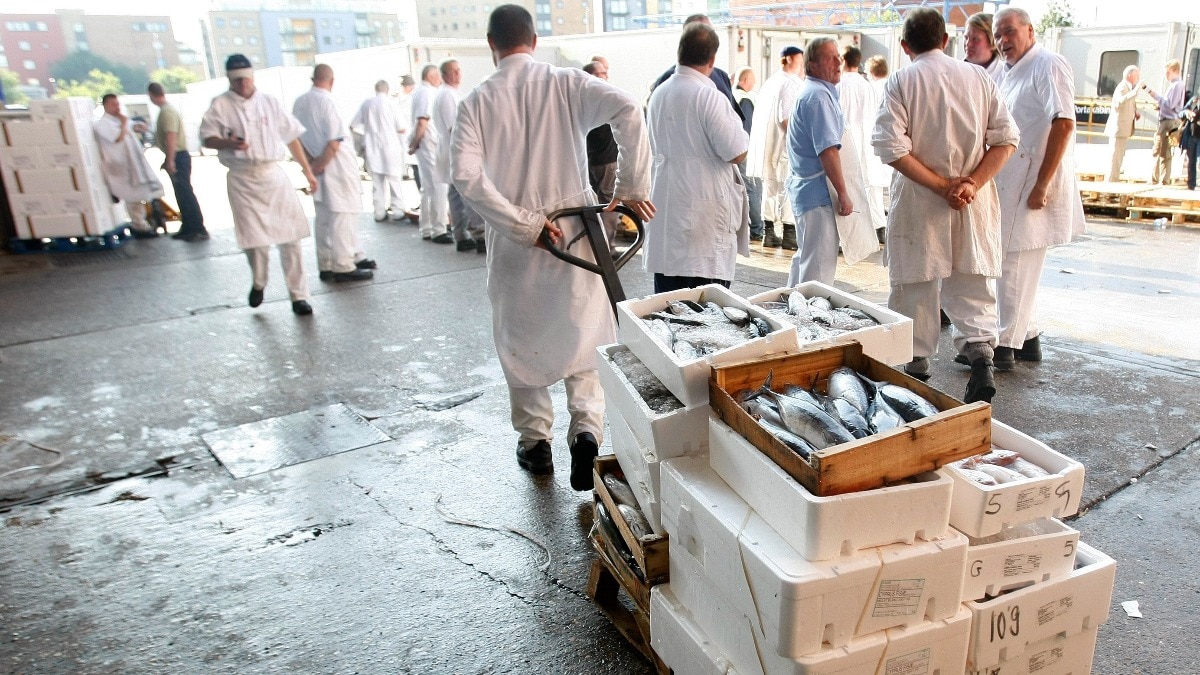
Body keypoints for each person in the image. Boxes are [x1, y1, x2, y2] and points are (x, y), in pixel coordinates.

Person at [451, 5, 654, 491]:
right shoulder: (566, 84)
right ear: (535, 39)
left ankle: (535, 443)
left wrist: (523, 224)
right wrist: (631, 187)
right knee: (584, 333)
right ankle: (585, 430)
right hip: (577, 229)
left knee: (522, 340)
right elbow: (629, 109)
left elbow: (466, 176)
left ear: (490, 43)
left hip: (520, 239)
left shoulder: (476, 102)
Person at [873, 7, 1019, 403]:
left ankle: (916, 368)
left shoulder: (903, 80)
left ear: (905, 46)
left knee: (915, 285)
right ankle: (981, 361)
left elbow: (889, 146)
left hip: (921, 202)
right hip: (973, 201)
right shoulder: (978, 77)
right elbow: (1006, 139)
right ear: (946, 41)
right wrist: (970, 184)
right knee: (972, 284)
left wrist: (941, 186)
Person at [992, 7, 1086, 367]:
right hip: (1014, 179)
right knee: (1012, 261)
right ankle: (1027, 338)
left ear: (1030, 31)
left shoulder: (1049, 63)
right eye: (999, 35)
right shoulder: (1009, 71)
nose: (1003, 41)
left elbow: (1063, 123)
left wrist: (1043, 184)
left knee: (1015, 262)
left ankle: (1004, 347)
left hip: (1035, 181)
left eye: (1010, 32)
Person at [199, 54, 318, 316]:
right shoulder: (220, 105)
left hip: (272, 174)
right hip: (242, 176)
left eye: (245, 79)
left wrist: (307, 172)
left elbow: (291, 138)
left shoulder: (269, 102)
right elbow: (207, 138)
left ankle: (298, 295)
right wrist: (228, 143)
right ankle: (259, 280)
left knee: (290, 237)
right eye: (236, 80)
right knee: (255, 240)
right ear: (230, 80)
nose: (242, 84)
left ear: (252, 77)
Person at [645, 22, 749, 294]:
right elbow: (737, 151)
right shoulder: (708, 95)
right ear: (712, 59)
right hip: (701, 224)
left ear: (679, 53)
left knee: (668, 310)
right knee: (707, 314)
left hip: (668, 215)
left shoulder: (659, 93)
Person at [292, 64, 375, 283]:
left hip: (315, 164)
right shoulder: (328, 101)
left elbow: (296, 137)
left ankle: (327, 263)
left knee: (324, 216)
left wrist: (310, 164)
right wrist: (321, 164)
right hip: (335, 166)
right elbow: (335, 140)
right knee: (343, 214)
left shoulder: (299, 102)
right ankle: (343, 264)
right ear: (332, 80)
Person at [785, 38, 853, 286]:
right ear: (812, 65)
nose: (838, 62)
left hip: (810, 192)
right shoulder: (818, 98)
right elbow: (828, 151)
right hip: (818, 194)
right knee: (818, 269)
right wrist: (843, 193)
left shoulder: (817, 92)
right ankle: (806, 320)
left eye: (839, 56)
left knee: (807, 258)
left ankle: (791, 312)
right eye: (830, 57)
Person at [747, 46, 804, 250]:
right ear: (789, 59)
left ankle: (769, 233)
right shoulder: (790, 83)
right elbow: (785, 117)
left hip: (769, 147)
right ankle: (789, 233)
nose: (801, 64)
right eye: (799, 59)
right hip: (785, 146)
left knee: (770, 188)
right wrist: (800, 138)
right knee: (788, 189)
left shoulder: (771, 82)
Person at [835, 46, 885, 266]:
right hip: (866, 141)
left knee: (846, 188)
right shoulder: (867, 86)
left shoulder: (838, 85)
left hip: (846, 141)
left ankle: (845, 238)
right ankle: (876, 229)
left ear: (843, 60)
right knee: (869, 187)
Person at [432, 59, 486, 253]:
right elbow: (455, 128)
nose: (458, 74)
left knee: (455, 194)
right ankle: (479, 234)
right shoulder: (447, 95)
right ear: (444, 75)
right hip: (456, 149)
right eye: (453, 71)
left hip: (449, 150)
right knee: (468, 193)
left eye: (458, 70)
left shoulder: (447, 94)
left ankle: (461, 235)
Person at [94, 93, 165, 239]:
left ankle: (143, 222)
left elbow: (134, 127)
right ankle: (138, 225)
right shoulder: (103, 124)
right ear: (105, 106)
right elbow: (117, 137)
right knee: (132, 197)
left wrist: (137, 125)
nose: (117, 108)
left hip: (134, 165)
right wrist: (125, 123)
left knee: (141, 195)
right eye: (113, 105)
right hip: (120, 168)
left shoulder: (120, 121)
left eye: (118, 104)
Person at [651, 14, 743, 123]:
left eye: (709, 33)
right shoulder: (665, 81)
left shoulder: (722, 77)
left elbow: (735, 123)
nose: (705, 39)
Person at [147, 82, 207, 242]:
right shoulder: (167, 110)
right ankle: (188, 225)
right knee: (180, 193)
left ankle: (197, 228)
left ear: (151, 95)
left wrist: (171, 160)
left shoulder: (167, 112)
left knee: (185, 192)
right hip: (176, 155)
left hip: (179, 156)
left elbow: (171, 136)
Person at [351, 79, 412, 222]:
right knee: (394, 180)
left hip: (372, 148)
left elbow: (353, 125)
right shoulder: (391, 104)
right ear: (387, 90)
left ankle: (379, 212)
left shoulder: (366, 104)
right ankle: (397, 211)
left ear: (375, 89)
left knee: (377, 182)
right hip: (391, 148)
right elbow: (401, 127)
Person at [409, 64, 452, 243]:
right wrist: (415, 143)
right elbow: (422, 121)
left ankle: (427, 227)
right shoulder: (427, 93)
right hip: (429, 145)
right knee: (438, 187)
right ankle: (438, 229)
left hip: (425, 145)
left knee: (427, 188)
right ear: (431, 75)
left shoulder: (420, 92)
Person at [582, 59, 622, 251]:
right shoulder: (601, 97)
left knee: (594, 202)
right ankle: (606, 247)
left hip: (589, 159)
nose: (606, 76)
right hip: (605, 159)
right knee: (609, 203)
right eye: (603, 73)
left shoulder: (582, 97)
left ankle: (595, 245)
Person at [733, 65, 765, 242]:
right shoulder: (745, 99)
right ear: (744, 80)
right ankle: (757, 229)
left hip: (733, 150)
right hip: (745, 151)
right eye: (752, 79)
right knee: (754, 189)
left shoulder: (732, 96)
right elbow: (748, 128)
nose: (755, 83)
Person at [1144, 59, 1186, 185]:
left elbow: (1170, 104)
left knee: (1161, 150)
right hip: (1170, 120)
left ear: (1175, 71)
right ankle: (1159, 178)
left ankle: (1160, 179)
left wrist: (1153, 94)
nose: (1166, 76)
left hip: (1168, 121)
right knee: (1162, 150)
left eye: (1168, 73)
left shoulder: (1176, 85)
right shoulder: (1178, 85)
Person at [865, 55, 892, 242]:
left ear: (870, 71)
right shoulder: (894, 85)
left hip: (875, 144)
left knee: (874, 188)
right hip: (896, 144)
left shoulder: (870, 89)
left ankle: (879, 227)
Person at [1104, 66, 1141, 182]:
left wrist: (1134, 112)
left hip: (1123, 128)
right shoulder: (1122, 86)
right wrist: (1135, 92)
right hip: (1118, 128)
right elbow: (1119, 101)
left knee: (1119, 155)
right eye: (1137, 74)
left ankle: (1114, 179)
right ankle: (1111, 180)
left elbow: (1127, 103)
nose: (1138, 77)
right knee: (1115, 156)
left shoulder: (1128, 88)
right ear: (1130, 75)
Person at [964, 12, 1004, 84]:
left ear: (993, 42)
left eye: (975, 39)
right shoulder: (956, 70)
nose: (968, 44)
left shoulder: (1005, 78)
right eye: (966, 38)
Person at [1181, 93, 1200, 191]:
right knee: (1191, 161)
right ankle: (1191, 184)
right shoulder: (1194, 100)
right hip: (1191, 136)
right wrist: (1187, 112)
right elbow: (1181, 113)